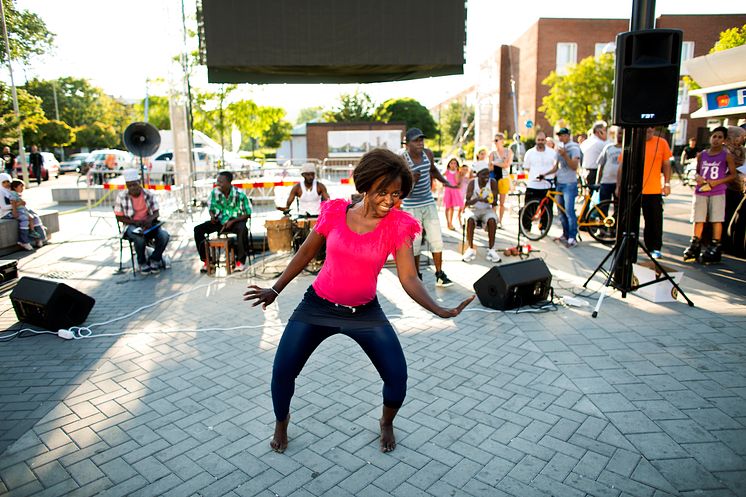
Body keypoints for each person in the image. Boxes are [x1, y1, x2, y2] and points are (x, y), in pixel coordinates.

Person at [243, 148, 474, 454]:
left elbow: (409, 278)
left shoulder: (397, 225)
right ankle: (281, 422)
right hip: (317, 306)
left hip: (364, 312)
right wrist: (275, 289)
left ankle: (386, 421)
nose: (389, 201)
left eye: (396, 193)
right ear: (365, 185)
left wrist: (439, 308)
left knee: (397, 379)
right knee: (282, 372)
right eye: (382, 192)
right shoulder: (335, 212)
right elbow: (306, 253)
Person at [400, 128, 456, 287]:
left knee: (436, 239)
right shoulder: (402, 159)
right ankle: (417, 274)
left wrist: (445, 181)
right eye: (416, 140)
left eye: (421, 140)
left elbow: (432, 169)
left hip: (428, 202)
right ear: (407, 144)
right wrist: (412, 179)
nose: (420, 143)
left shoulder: (428, 153)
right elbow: (400, 184)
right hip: (411, 206)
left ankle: (439, 274)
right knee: (416, 242)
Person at [616, 127, 672, 259]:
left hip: (653, 190)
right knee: (629, 220)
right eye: (646, 129)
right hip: (633, 189)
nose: (649, 131)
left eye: (651, 129)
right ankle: (628, 247)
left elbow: (667, 164)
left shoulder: (661, 142)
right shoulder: (632, 142)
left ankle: (654, 247)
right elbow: (622, 166)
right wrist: (619, 186)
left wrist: (667, 183)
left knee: (654, 221)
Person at [683, 126, 736, 264]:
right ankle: (695, 243)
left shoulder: (726, 155)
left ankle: (715, 245)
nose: (716, 140)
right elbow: (697, 171)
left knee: (716, 218)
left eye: (719, 137)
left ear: (724, 140)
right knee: (698, 218)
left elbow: (733, 174)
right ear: (710, 138)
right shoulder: (702, 154)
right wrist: (698, 177)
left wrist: (718, 181)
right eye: (714, 136)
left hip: (717, 191)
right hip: (701, 190)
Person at [194, 170, 253, 273]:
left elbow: (247, 214)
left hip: (235, 222)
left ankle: (240, 261)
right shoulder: (214, 193)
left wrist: (233, 221)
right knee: (198, 229)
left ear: (229, 182)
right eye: (217, 181)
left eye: (221, 182)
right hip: (219, 222)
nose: (218, 184)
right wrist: (212, 216)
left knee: (243, 229)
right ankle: (206, 260)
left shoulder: (240, 194)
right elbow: (211, 208)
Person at [114, 169, 170, 274]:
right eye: (129, 186)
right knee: (138, 237)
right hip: (131, 225)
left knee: (164, 235)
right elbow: (119, 216)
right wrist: (134, 222)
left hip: (149, 223)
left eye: (134, 185)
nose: (132, 188)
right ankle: (142, 263)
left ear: (139, 183)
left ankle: (155, 259)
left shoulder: (148, 194)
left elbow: (156, 212)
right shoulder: (121, 196)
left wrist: (149, 220)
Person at [544, 127, 582, 247]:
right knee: (561, 212)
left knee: (569, 211)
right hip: (559, 182)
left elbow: (574, 166)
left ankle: (572, 237)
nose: (561, 137)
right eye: (559, 135)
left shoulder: (574, 148)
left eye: (563, 135)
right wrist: (544, 175)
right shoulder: (560, 148)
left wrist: (565, 155)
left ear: (568, 135)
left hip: (569, 183)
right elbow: (556, 167)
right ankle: (565, 234)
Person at [461, 164, 501, 263]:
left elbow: (496, 201)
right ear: (478, 174)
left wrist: (490, 200)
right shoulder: (472, 183)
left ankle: (491, 249)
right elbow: (467, 202)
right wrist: (477, 199)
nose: (487, 177)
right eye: (484, 174)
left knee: (492, 220)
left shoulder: (493, 182)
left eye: (488, 174)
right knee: (470, 220)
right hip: (473, 209)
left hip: (487, 209)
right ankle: (470, 249)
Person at [520, 131, 556, 230]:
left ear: (545, 140)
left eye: (542, 140)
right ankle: (526, 228)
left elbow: (556, 167)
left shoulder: (552, 153)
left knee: (547, 209)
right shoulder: (530, 153)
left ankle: (543, 228)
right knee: (529, 208)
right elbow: (526, 167)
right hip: (533, 184)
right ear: (536, 140)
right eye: (538, 140)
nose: (540, 142)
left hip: (547, 185)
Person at [9, 179, 46, 249]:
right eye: (21, 187)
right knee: (26, 220)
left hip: (23, 210)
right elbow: (13, 203)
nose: (22, 188)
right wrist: (15, 211)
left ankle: (39, 237)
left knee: (34, 217)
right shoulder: (13, 193)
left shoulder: (16, 194)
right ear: (15, 187)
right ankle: (24, 240)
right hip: (20, 211)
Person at [488, 133, 514, 227]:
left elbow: (506, 164)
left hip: (504, 178)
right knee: (494, 201)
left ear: (502, 141)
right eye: (494, 140)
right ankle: (494, 219)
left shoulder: (508, 151)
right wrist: (499, 163)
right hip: (494, 178)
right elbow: (490, 167)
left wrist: (495, 163)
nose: (495, 142)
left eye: (496, 140)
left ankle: (500, 221)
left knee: (502, 202)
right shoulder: (492, 153)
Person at [596, 126, 623, 206]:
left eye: (622, 133)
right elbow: (601, 165)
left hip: (619, 183)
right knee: (603, 206)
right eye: (618, 133)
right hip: (606, 181)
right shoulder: (608, 147)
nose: (620, 135)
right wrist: (598, 182)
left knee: (618, 207)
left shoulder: (626, 149)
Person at [580, 121, 608, 186]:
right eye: (604, 130)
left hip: (585, 172)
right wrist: (605, 138)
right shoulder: (601, 143)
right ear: (600, 131)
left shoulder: (585, 143)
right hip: (595, 173)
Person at [442, 156, 465, 231]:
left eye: (455, 163)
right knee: (447, 207)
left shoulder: (457, 172)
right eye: (451, 163)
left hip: (454, 190)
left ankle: (451, 222)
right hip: (448, 190)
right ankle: (447, 222)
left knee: (452, 207)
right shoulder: (447, 171)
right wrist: (444, 183)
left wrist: (457, 173)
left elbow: (458, 181)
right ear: (448, 164)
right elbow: (441, 177)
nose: (453, 165)